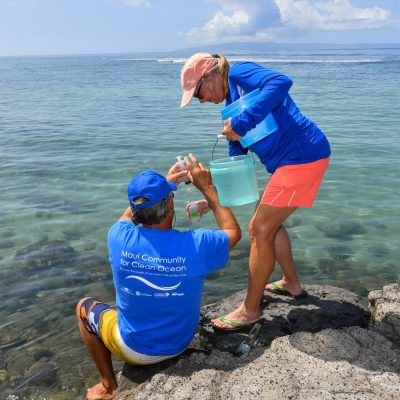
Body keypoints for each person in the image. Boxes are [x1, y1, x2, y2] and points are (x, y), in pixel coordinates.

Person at [180, 53, 331, 332]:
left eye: (198, 93)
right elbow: (236, 160)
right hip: (290, 163)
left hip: (302, 157)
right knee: (269, 225)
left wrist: (241, 123)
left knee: (259, 229)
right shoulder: (228, 110)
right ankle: (291, 283)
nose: (200, 100)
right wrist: (212, 199)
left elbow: (281, 82)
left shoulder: (239, 74)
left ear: (210, 76)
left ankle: (250, 310)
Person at [76, 154, 241, 400]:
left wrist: (164, 185)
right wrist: (208, 189)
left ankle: (108, 386)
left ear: (135, 209)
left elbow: (129, 215)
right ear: (170, 206)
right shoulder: (195, 245)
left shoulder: (118, 237)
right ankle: (109, 385)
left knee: (83, 307)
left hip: (132, 348)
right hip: (179, 342)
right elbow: (232, 232)